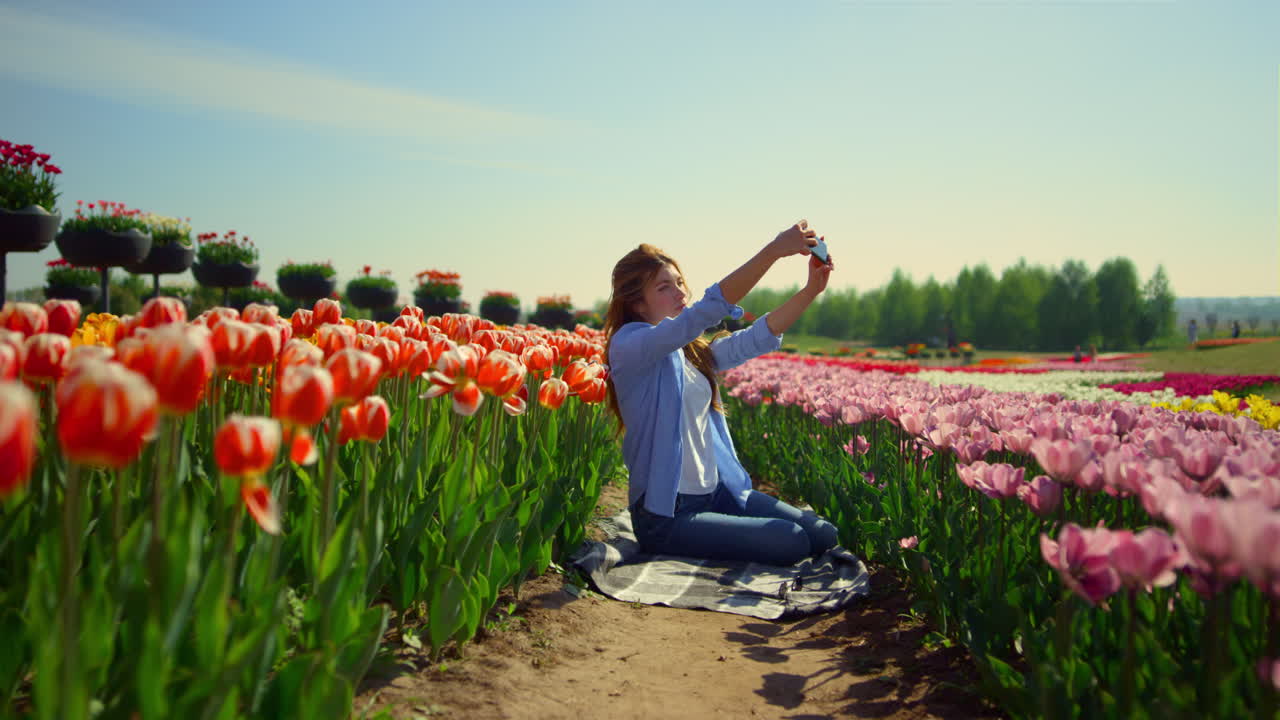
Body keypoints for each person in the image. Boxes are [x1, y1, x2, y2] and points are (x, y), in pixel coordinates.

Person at [603, 221, 840, 567]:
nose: (681, 293)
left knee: (822, 533)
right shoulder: (630, 346)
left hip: (715, 495)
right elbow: (705, 312)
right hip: (667, 515)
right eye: (664, 288)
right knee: (789, 541)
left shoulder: (688, 352)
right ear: (637, 304)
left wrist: (810, 291)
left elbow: (753, 339)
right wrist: (774, 250)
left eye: (680, 282)